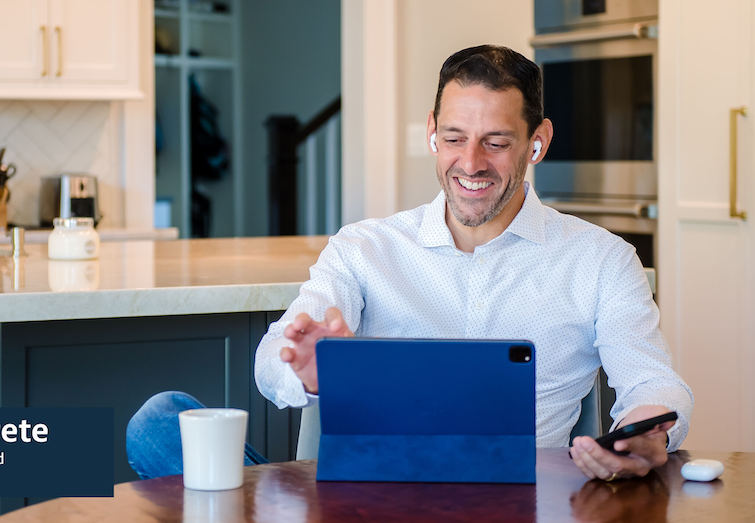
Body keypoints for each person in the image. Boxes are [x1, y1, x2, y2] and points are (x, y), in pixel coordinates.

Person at [127, 44, 693, 483]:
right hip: (369, 497)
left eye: (496, 142)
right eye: (453, 138)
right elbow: (272, 362)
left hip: (520, 501)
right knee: (159, 422)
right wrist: (305, 368)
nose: (469, 163)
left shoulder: (600, 260)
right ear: (432, 132)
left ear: (536, 142)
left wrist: (648, 435)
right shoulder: (364, 248)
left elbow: (652, 381)